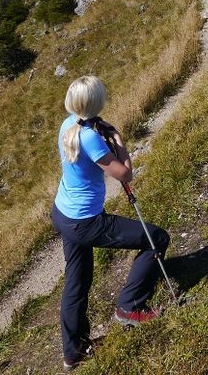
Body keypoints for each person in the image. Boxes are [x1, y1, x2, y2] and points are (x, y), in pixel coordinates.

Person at [53, 76, 170, 370]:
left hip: (63, 214)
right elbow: (124, 174)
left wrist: (98, 124)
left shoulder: (68, 125)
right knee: (156, 239)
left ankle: (73, 351)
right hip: (86, 222)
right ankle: (130, 307)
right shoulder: (90, 138)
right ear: (96, 103)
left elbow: (87, 131)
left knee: (77, 282)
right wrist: (119, 143)